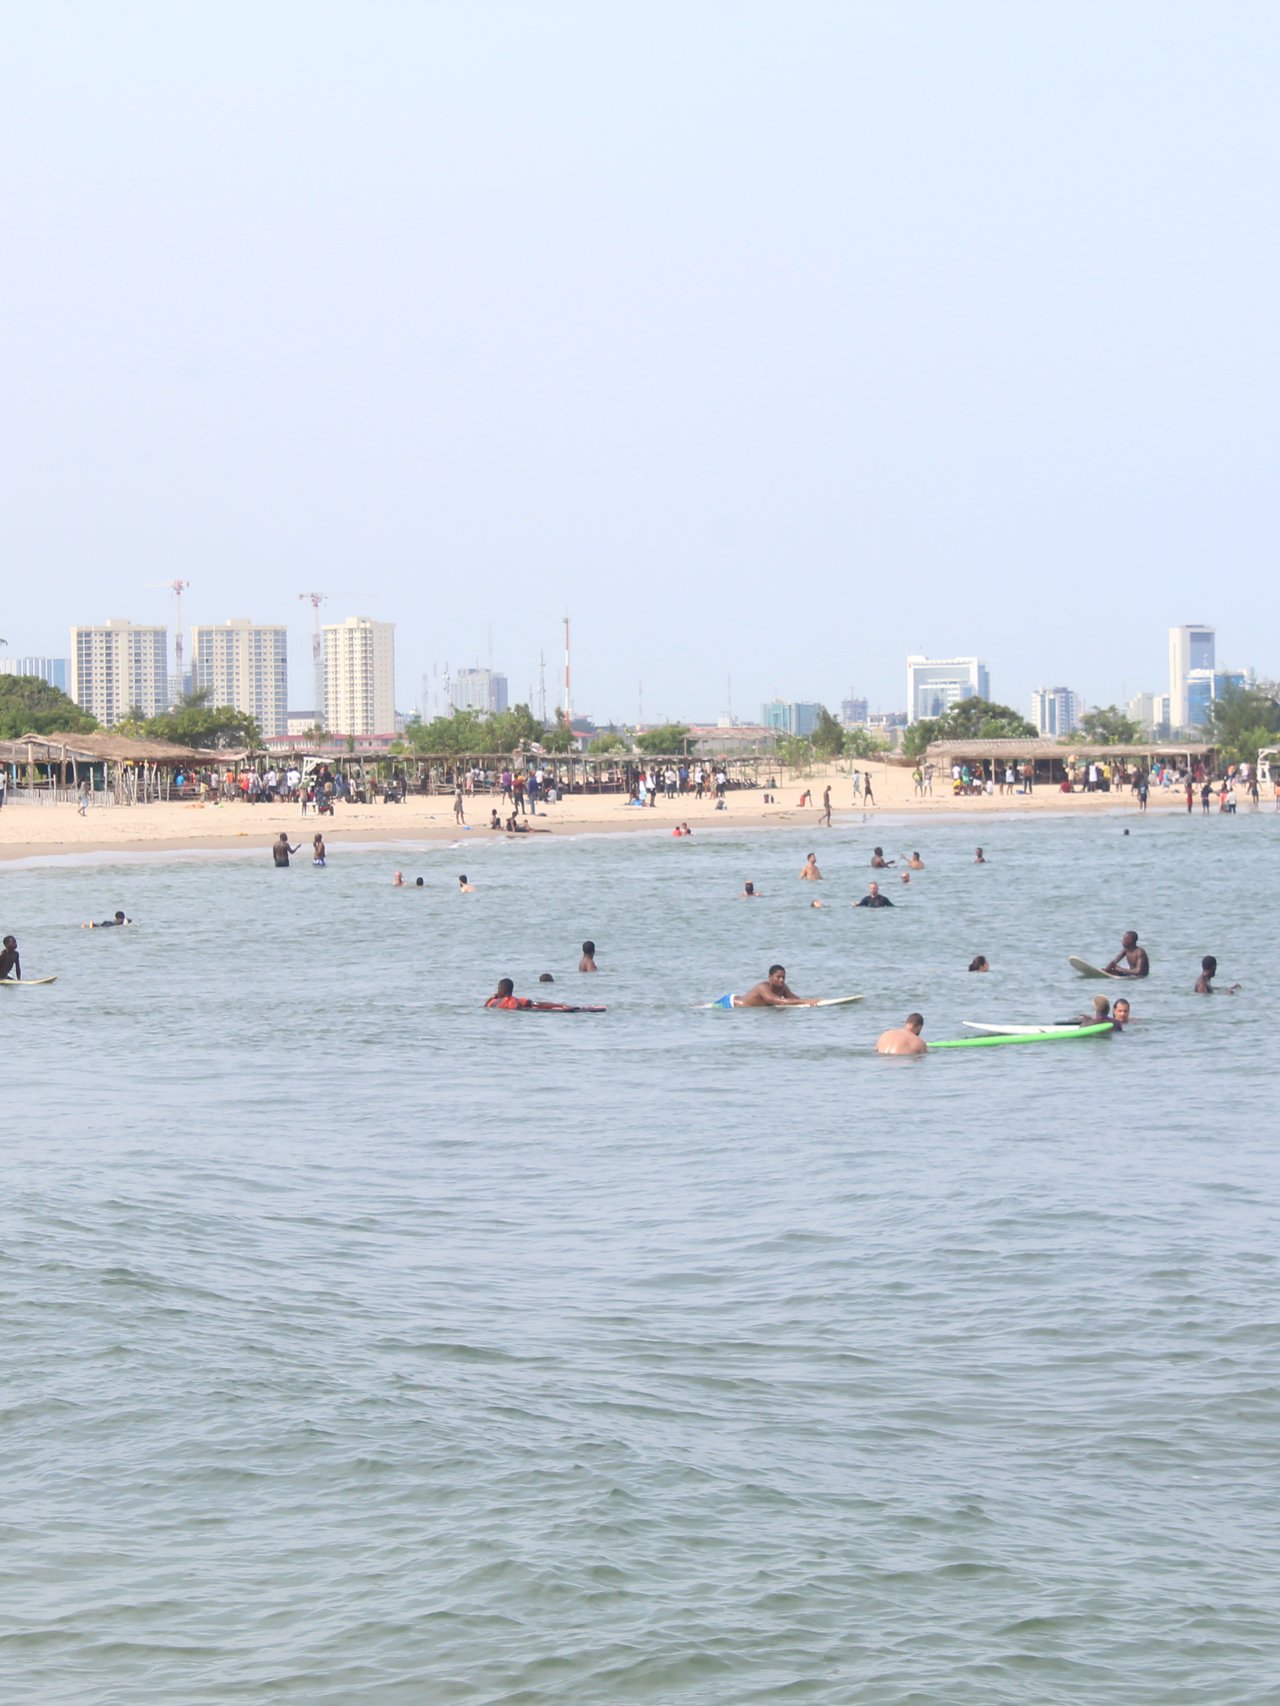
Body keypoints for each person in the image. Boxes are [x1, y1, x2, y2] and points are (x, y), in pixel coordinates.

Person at [738, 965, 821, 1007]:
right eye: (778, 977)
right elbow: (778, 1001)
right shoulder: (763, 987)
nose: (781, 980)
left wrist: (811, 1001)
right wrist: (805, 1001)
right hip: (732, 1003)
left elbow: (794, 999)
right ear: (770, 977)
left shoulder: (783, 987)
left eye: (783, 977)